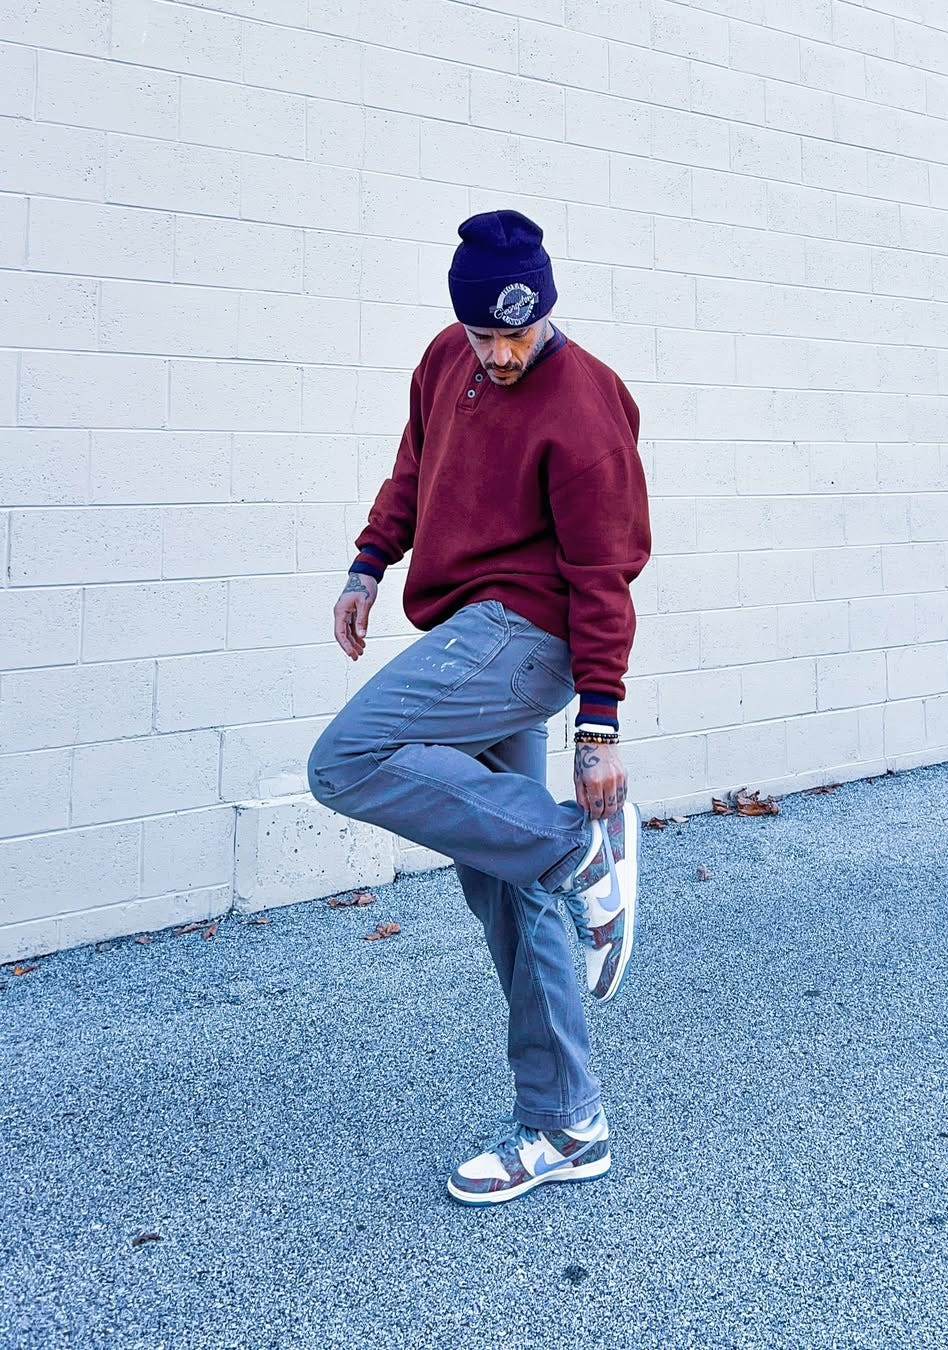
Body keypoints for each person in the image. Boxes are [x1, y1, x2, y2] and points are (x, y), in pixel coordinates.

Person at [306, 208, 652, 1206]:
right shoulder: (443, 364)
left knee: (348, 760)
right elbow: (416, 465)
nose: (504, 355)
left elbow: (604, 577)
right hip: (466, 632)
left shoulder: (587, 408)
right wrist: (370, 562)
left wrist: (598, 728)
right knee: (504, 882)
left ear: (548, 309)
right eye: (486, 336)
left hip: (527, 638)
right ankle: (566, 1123)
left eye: (521, 333)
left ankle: (581, 847)